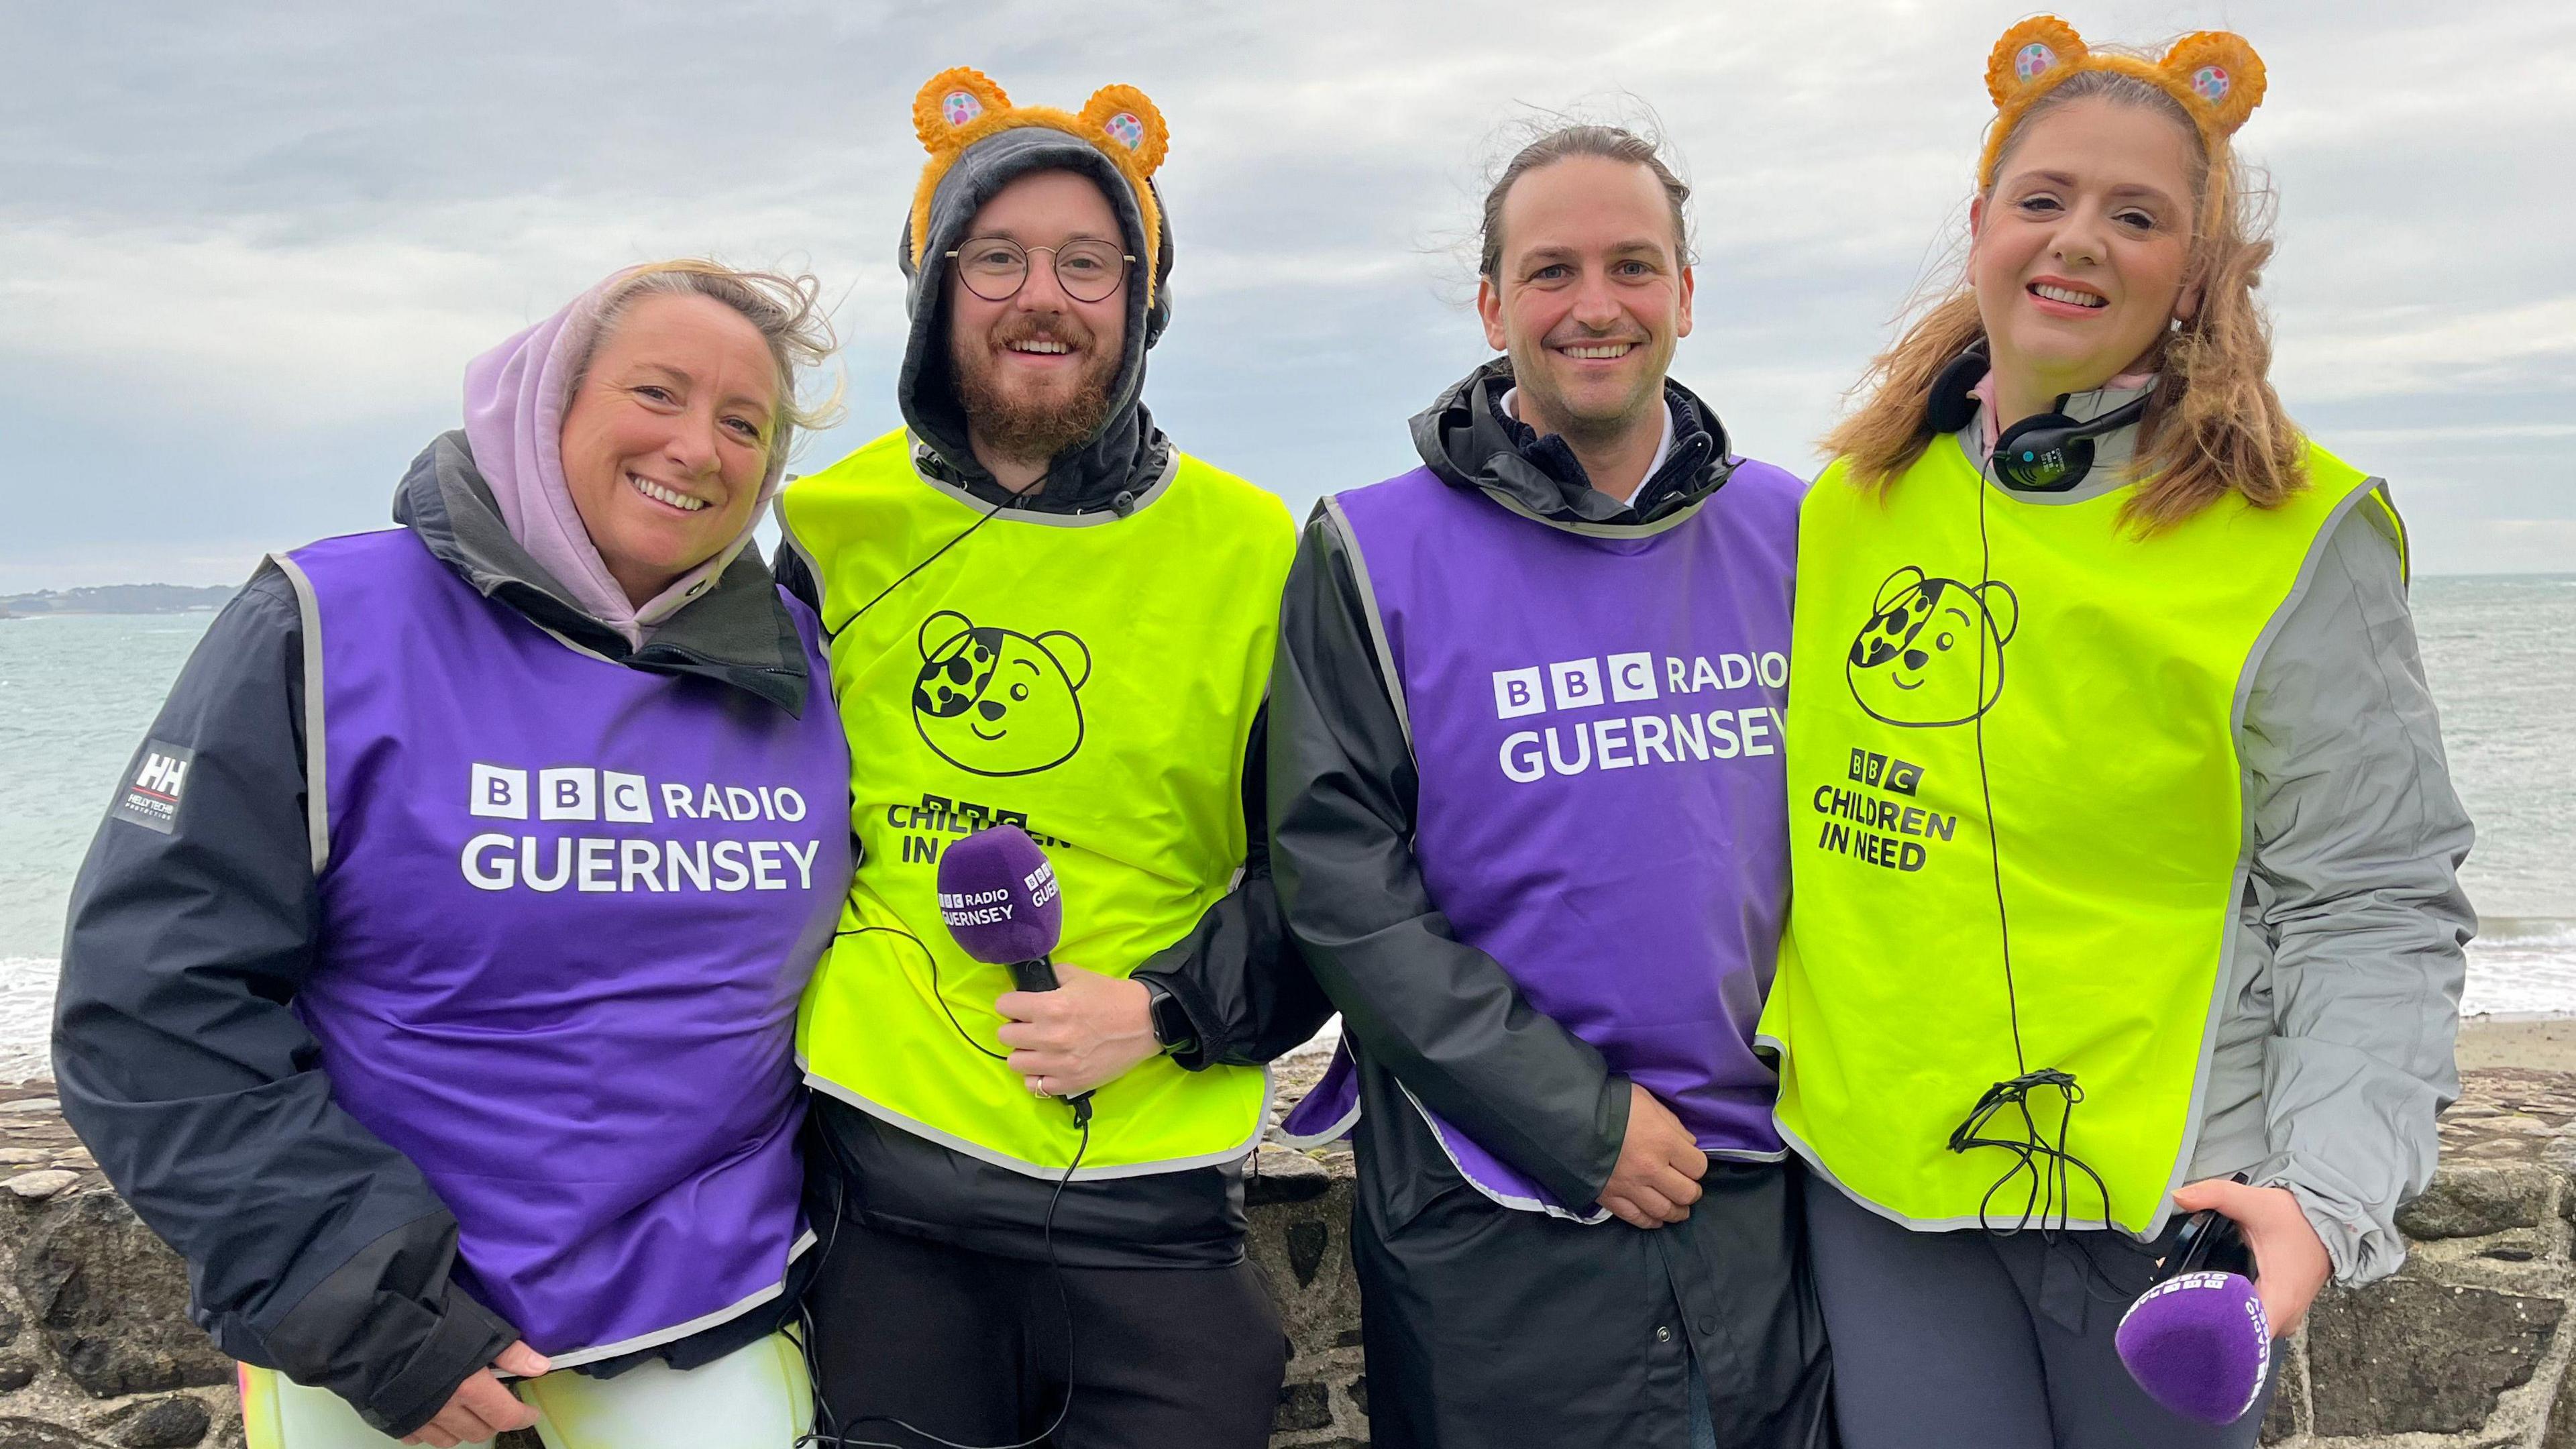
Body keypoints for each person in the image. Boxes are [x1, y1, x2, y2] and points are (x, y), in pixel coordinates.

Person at [1755, 18, 2474, 1448]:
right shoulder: (1845, 507)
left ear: (2198, 270)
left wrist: (2324, 1203)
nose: (2077, 241)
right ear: (1980, 229)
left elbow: (2377, 901)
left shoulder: (2296, 531)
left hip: (2165, 1204)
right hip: (1879, 1184)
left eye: (2136, 215)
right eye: (2044, 199)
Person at [54, 260, 851, 1449]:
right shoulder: (327, 623)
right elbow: (150, 1006)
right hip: (399, 1357)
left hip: (716, 1326)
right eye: (658, 393)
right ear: (548, 406)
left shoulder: (806, 666)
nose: (699, 447)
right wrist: (378, 1321)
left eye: (747, 423)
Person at [775, 69, 1327, 1449]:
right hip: (882, 1187)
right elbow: (736, 836)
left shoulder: (1258, 550)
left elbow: (1347, 865)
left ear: (1142, 301)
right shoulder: (830, 528)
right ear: (934, 282)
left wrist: (1166, 1011)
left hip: (1154, 1199)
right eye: (999, 255)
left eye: (1091, 262)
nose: (1045, 295)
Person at [1268, 122, 1834, 1449]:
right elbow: (1341, 882)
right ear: (1492, 303)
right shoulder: (1370, 547)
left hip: (1770, 1205)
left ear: (1686, 296)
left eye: (1634, 266)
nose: (1595, 305)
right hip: (1493, 1218)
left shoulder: (1801, 533)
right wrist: (1579, 1123)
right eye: (1551, 270)